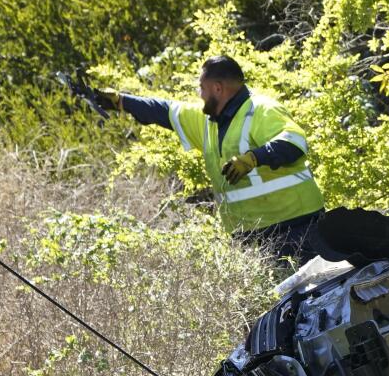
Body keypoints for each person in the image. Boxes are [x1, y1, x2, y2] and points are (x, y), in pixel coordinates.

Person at [96, 56, 326, 263]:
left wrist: (252, 158)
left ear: (217, 88)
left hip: (297, 227)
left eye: (201, 88)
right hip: (252, 235)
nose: (199, 94)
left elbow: (294, 142)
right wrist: (119, 101)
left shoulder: (261, 110)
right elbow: (163, 111)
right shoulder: (207, 121)